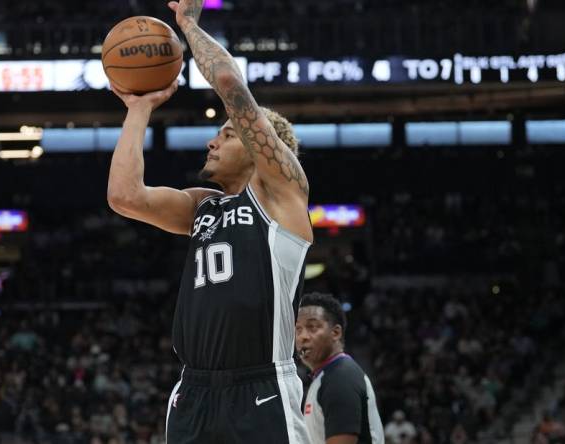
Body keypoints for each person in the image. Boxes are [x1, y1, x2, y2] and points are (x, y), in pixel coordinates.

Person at [106, 0, 313, 442]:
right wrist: (138, 108)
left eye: (228, 133)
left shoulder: (282, 195)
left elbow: (226, 80)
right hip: (194, 391)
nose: (211, 140)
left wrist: (187, 25)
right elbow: (124, 196)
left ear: (263, 149)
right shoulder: (204, 207)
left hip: (260, 388)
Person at [295, 293, 384, 444]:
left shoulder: (340, 378)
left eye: (312, 327)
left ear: (336, 333)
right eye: (298, 329)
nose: (302, 336)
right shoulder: (327, 376)